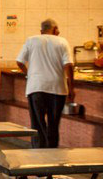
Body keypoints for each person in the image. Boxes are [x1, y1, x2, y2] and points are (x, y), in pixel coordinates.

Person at [16, 18, 74, 148]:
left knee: (37, 123)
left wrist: (29, 74)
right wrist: (72, 88)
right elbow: (69, 66)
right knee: (54, 123)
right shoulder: (62, 41)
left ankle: (39, 153)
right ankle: (52, 153)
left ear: (41, 31)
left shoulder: (31, 40)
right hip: (57, 88)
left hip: (36, 87)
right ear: (54, 29)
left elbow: (19, 62)